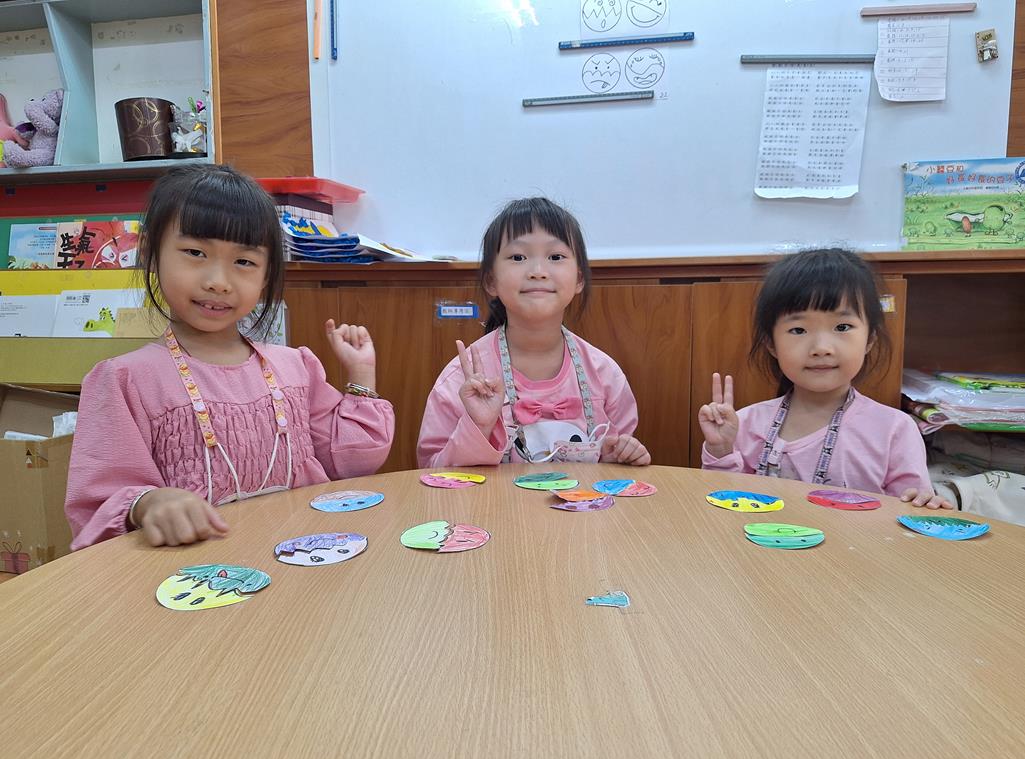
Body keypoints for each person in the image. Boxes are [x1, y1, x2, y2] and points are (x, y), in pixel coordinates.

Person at [66, 164, 395, 549]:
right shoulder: (125, 380)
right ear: (150, 254)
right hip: (192, 576)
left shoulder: (296, 368)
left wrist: (361, 375)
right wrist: (148, 504)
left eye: (244, 262)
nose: (218, 282)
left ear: (266, 274)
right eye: (195, 252)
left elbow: (353, 463)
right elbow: (96, 507)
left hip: (302, 560)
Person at [698, 248, 949, 508]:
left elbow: (910, 512)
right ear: (771, 344)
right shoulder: (744, 424)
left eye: (842, 327)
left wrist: (923, 503)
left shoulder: (894, 430)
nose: (821, 348)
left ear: (869, 340)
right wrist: (721, 450)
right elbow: (725, 505)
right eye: (798, 330)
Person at [417, 197, 649, 468]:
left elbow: (617, 472)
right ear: (491, 280)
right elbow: (431, 472)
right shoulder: (463, 379)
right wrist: (478, 426)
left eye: (555, 257)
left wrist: (618, 457)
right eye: (518, 257)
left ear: (579, 279)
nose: (538, 272)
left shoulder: (604, 374)